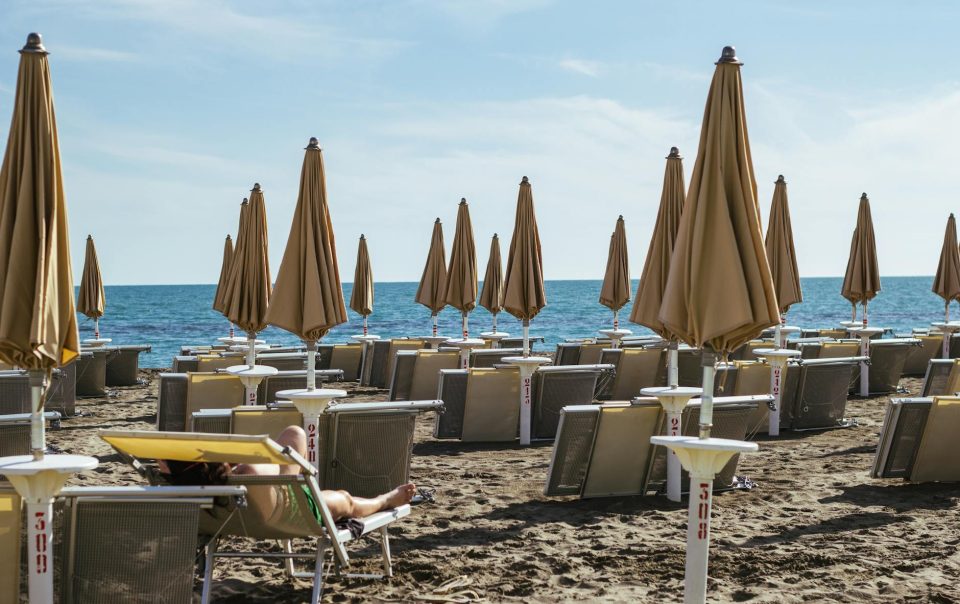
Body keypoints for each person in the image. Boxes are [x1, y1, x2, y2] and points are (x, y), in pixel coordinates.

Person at [158, 425, 415, 522]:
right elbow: (269, 462)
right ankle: (386, 499)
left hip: (264, 504)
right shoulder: (247, 472)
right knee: (345, 500)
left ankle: (303, 484)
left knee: (294, 434)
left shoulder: (187, 487)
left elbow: (168, 466)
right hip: (291, 511)